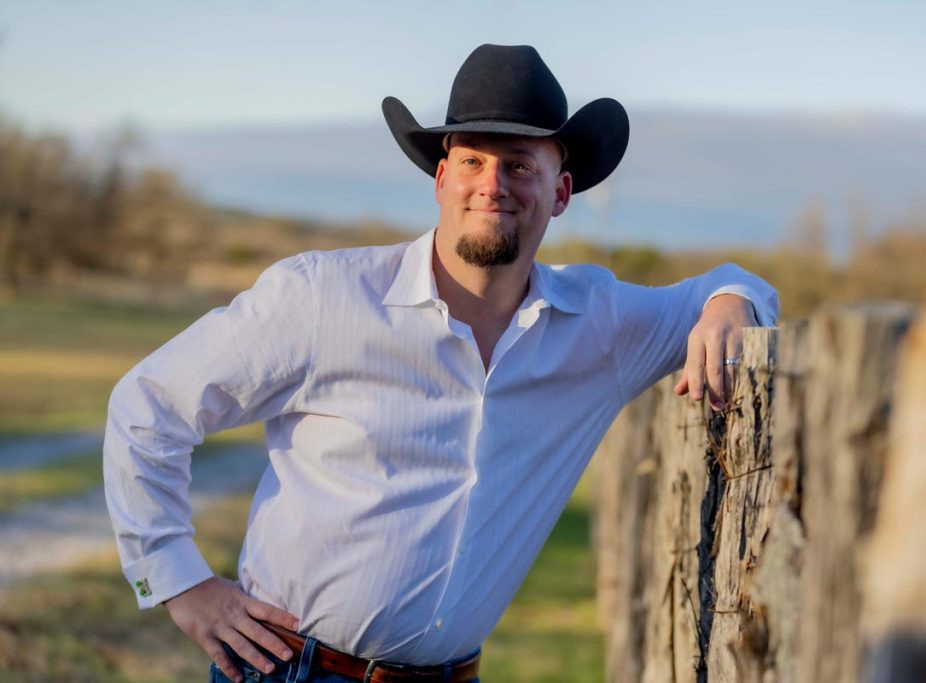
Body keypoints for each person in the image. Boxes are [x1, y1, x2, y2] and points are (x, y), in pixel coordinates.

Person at [104, 44, 779, 683]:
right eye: (473, 161)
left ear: (562, 190)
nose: (493, 184)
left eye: (519, 165)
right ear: (441, 178)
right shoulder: (323, 298)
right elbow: (148, 405)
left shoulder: (598, 327)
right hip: (290, 667)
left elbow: (743, 285)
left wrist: (728, 305)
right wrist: (179, 582)